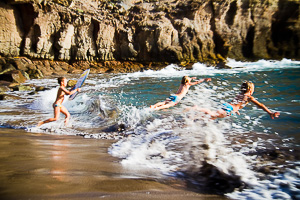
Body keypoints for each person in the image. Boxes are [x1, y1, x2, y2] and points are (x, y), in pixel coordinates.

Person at [192, 81, 280, 119]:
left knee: (211, 118)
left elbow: (236, 104)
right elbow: (261, 105)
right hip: (229, 109)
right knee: (212, 114)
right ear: (250, 90)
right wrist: (270, 112)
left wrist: (236, 110)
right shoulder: (249, 97)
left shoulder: (240, 94)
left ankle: (195, 118)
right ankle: (197, 108)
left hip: (227, 106)